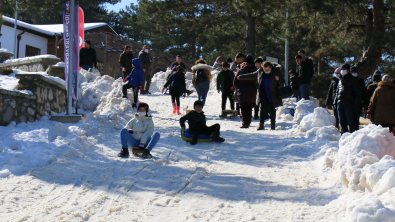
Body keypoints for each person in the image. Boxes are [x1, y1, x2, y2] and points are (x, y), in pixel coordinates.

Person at [237, 61, 284, 130]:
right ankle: (261, 124)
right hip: (262, 93)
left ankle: (273, 125)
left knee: (272, 109)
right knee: (262, 109)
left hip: (272, 94)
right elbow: (252, 75)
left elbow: (282, 82)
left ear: (271, 67)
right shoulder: (260, 71)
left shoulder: (276, 72)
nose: (266, 71)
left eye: (267, 70)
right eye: (265, 69)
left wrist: (278, 79)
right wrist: (241, 77)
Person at [334, 64, 361, 134]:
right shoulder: (340, 79)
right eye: (341, 69)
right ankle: (345, 136)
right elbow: (337, 91)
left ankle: (352, 136)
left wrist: (356, 104)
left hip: (349, 104)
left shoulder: (353, 80)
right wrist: (335, 101)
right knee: (342, 122)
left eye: (343, 69)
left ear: (348, 70)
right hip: (340, 104)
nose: (342, 70)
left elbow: (357, 93)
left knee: (351, 122)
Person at [233, 62, 256, 128]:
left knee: (243, 108)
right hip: (252, 92)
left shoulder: (240, 71)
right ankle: (248, 121)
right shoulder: (253, 71)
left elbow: (235, 82)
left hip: (242, 91)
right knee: (249, 108)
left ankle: (245, 123)